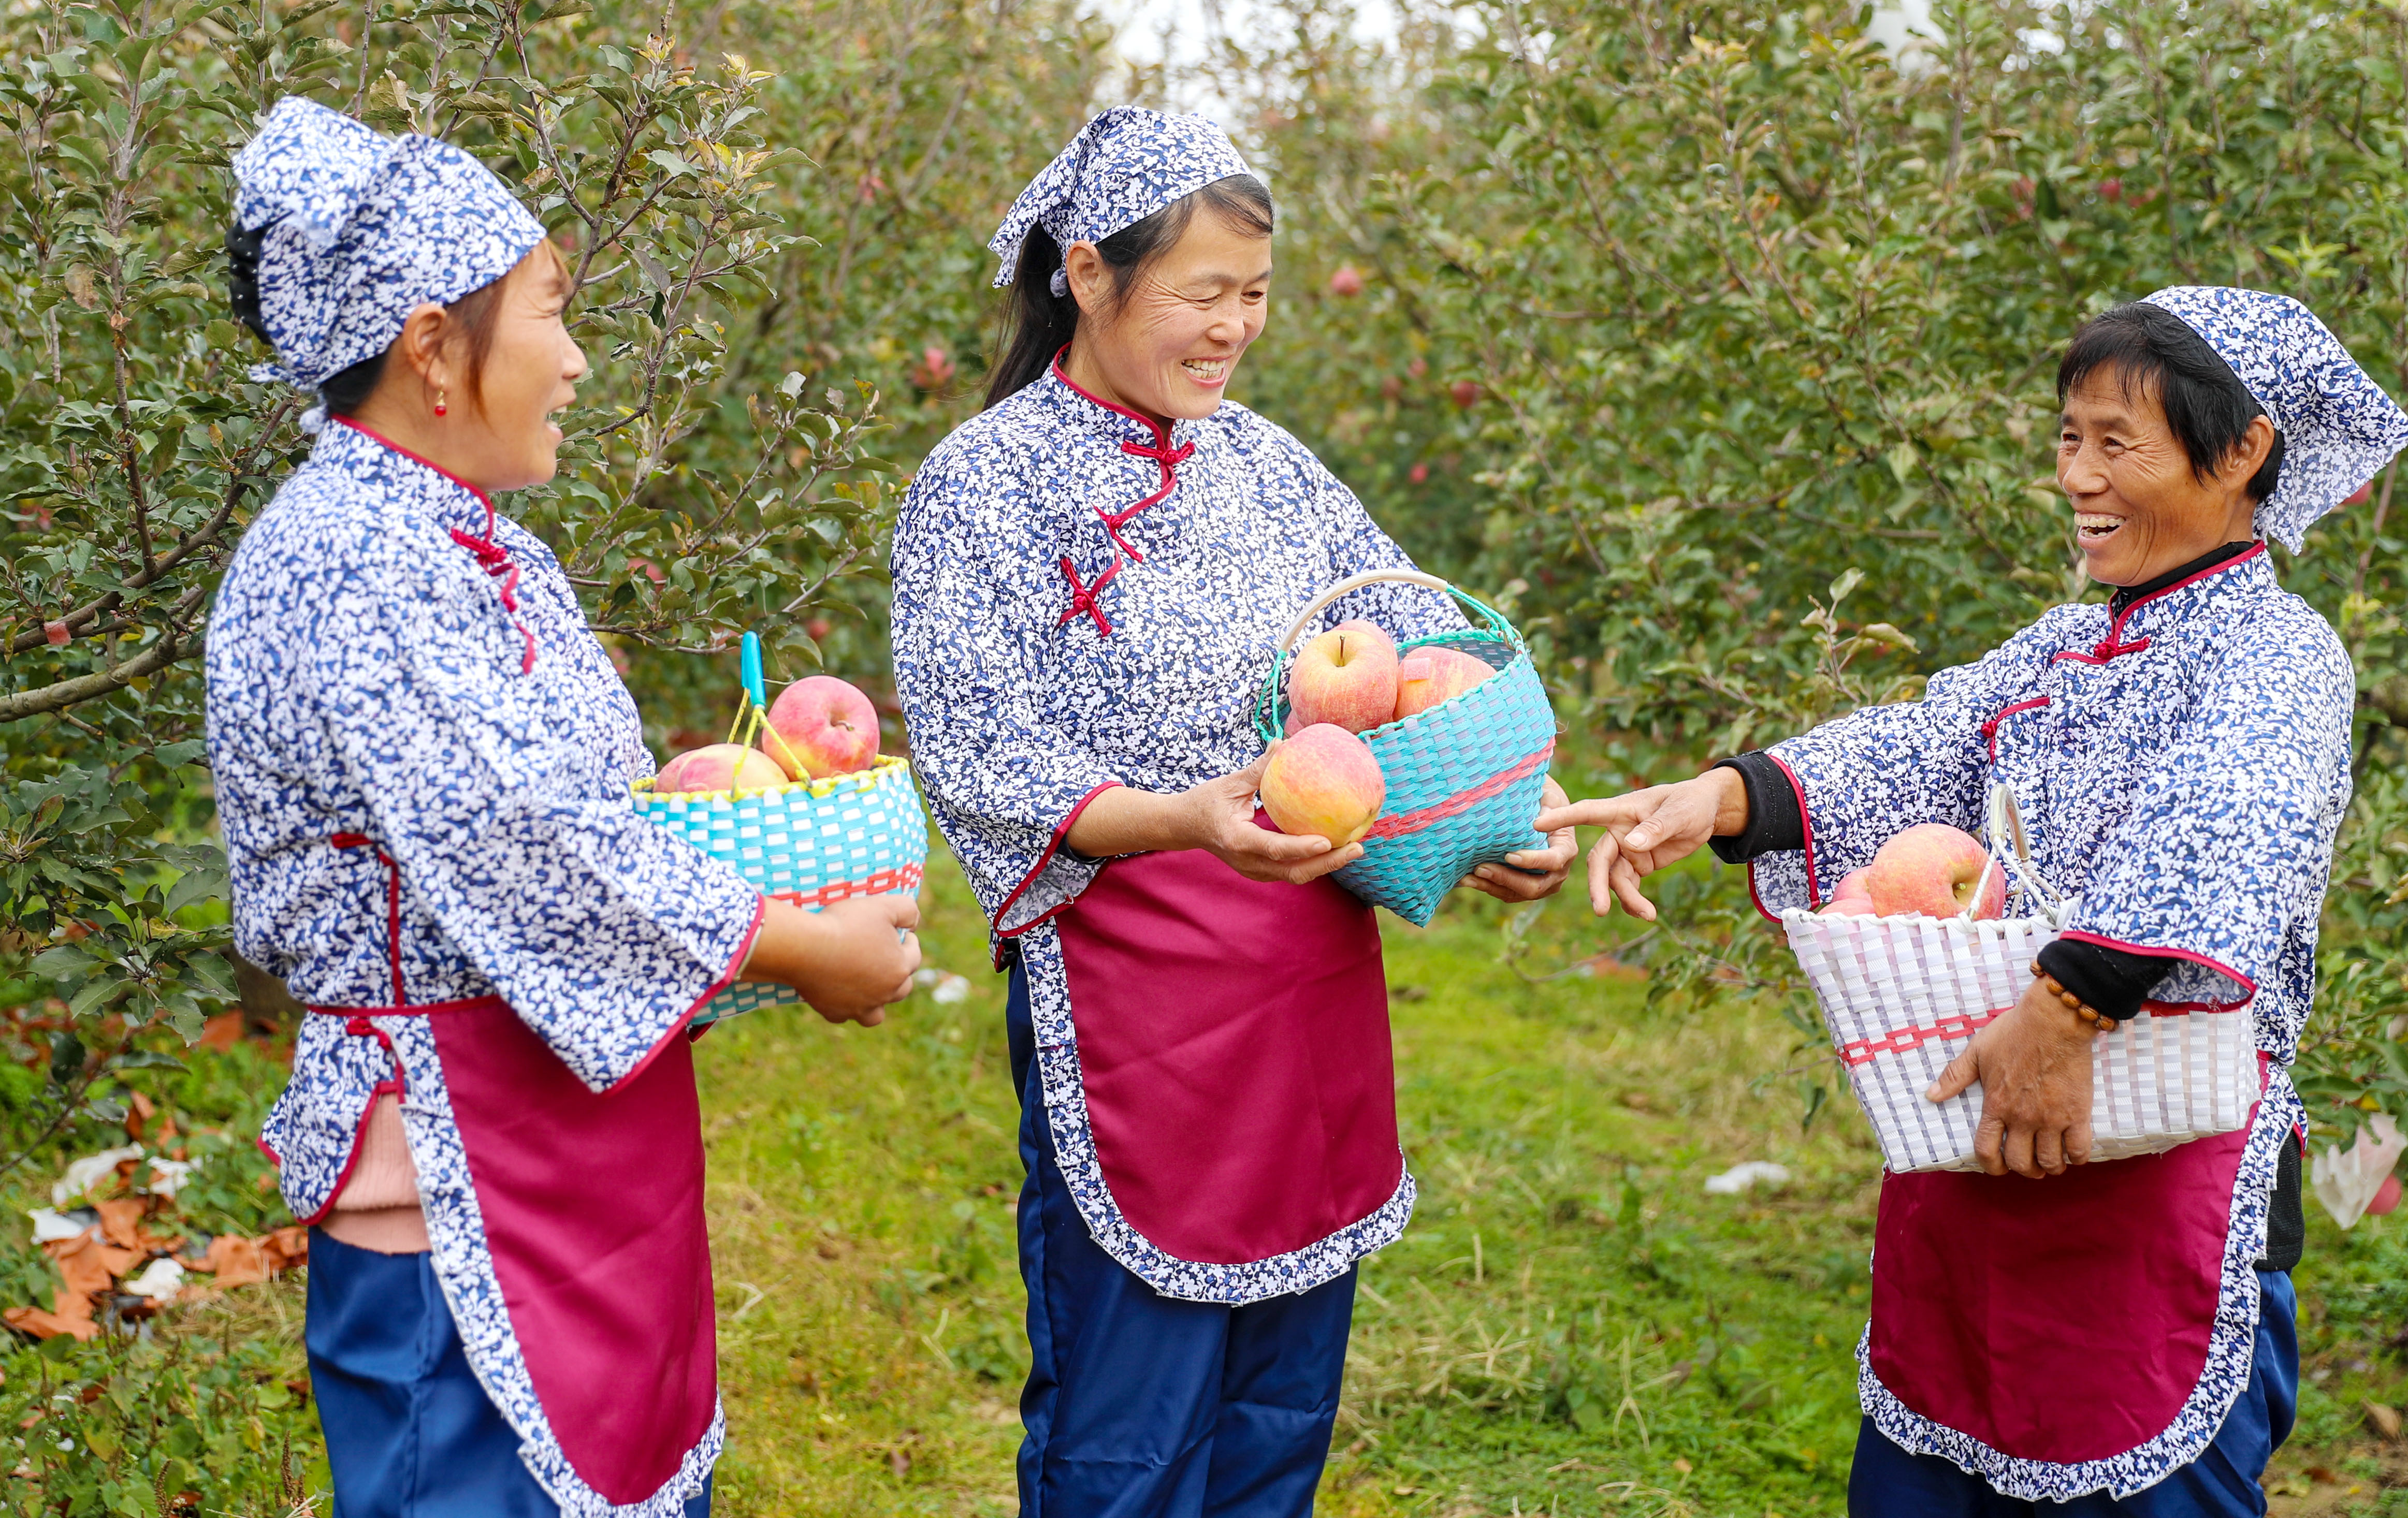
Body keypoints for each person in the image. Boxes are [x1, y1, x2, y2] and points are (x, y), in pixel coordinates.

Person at [1539, 289, 2408, 1514]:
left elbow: (2225, 835)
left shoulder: (2277, 654)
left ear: (2244, 451)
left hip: (2162, 1184)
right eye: (2071, 438)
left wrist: (2061, 1019)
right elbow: (1917, 749)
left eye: (2120, 443)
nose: (2079, 476)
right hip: (1981, 1170)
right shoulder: (2061, 651)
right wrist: (1718, 800)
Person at [206, 96, 921, 1518]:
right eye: (550, 309)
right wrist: (793, 942)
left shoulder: (471, 546)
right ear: (432, 351)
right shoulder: (362, 561)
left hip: (575, 1141)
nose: (578, 357)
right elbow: (526, 850)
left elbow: (561, 809)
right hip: (462, 1176)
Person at [890, 106, 1576, 1517]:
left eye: (1254, 293)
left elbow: (1407, 644)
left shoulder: (1267, 467)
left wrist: (1501, 804)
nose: (1236, 328)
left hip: (1307, 990)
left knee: (1278, 1399)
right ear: (1087, 274)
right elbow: (972, 744)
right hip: (1137, 988)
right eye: (1204, 293)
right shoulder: (984, 486)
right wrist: (1176, 818)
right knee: (1124, 1422)